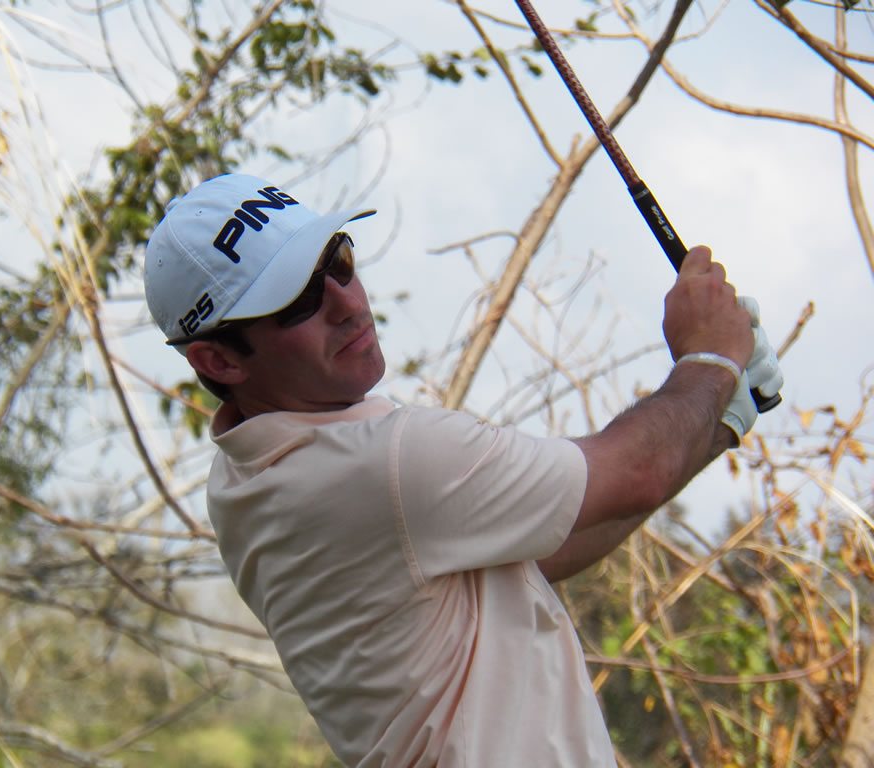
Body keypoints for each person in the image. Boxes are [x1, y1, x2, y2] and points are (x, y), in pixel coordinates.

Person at [143, 173, 784, 767]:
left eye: (337, 261)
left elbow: (543, 545)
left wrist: (719, 421)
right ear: (220, 361)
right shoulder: (389, 465)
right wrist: (709, 359)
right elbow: (635, 472)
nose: (348, 303)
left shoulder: (244, 482)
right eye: (298, 300)